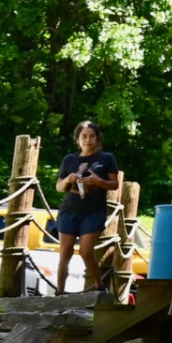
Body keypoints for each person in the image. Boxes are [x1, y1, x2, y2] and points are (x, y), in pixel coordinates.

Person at [52, 120, 121, 294]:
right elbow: (59, 187)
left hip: (94, 210)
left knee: (86, 251)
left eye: (91, 136)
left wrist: (98, 181)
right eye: (84, 136)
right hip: (69, 209)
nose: (88, 140)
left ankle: (99, 286)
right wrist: (69, 179)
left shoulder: (106, 158)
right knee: (65, 251)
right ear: (77, 139)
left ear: (97, 139)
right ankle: (59, 292)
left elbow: (114, 184)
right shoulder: (69, 159)